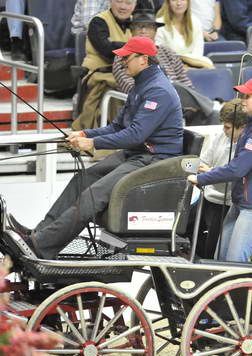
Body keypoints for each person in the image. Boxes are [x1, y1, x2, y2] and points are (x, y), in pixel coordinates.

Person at [9, 37, 184, 260]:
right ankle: (39, 233)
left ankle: (41, 245)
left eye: (126, 58)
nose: (121, 63)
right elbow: (117, 127)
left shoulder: (159, 91)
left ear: (144, 60)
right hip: (137, 154)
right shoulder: (142, 85)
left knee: (94, 195)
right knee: (82, 179)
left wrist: (92, 143)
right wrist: (84, 134)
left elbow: (135, 135)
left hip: (155, 161)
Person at [187, 77, 252, 262]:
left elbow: (237, 169)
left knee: (234, 262)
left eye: (247, 96)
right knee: (221, 258)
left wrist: (202, 178)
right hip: (240, 203)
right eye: (242, 95)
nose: (242, 99)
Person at [112, 9, 216, 125]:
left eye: (149, 27)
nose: (143, 30)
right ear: (131, 31)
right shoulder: (123, 56)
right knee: (203, 110)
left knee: (196, 108)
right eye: (138, 26)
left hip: (178, 101)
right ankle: (211, 107)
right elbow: (129, 86)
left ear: (156, 31)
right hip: (148, 101)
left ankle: (207, 111)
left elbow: (185, 82)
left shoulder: (167, 52)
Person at [187, 99, 247, 259]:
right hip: (208, 198)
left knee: (211, 250)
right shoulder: (221, 137)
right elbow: (204, 161)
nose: (224, 130)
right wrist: (204, 171)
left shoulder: (247, 146)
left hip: (226, 205)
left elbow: (234, 174)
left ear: (242, 127)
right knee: (185, 228)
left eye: (228, 127)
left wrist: (209, 173)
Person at [72, 0, 136, 131]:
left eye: (128, 3)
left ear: (135, 5)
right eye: (119, 1)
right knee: (117, 93)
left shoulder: (137, 23)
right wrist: (134, 47)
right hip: (100, 75)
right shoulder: (98, 21)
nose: (123, 7)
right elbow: (106, 49)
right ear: (110, 1)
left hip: (129, 74)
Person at [155, 0, 214, 69]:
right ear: (168, 3)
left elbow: (198, 53)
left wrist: (189, 67)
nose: (179, 3)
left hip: (194, 66)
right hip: (170, 68)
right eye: (174, 0)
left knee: (208, 62)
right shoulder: (160, 23)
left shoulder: (195, 22)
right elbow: (159, 55)